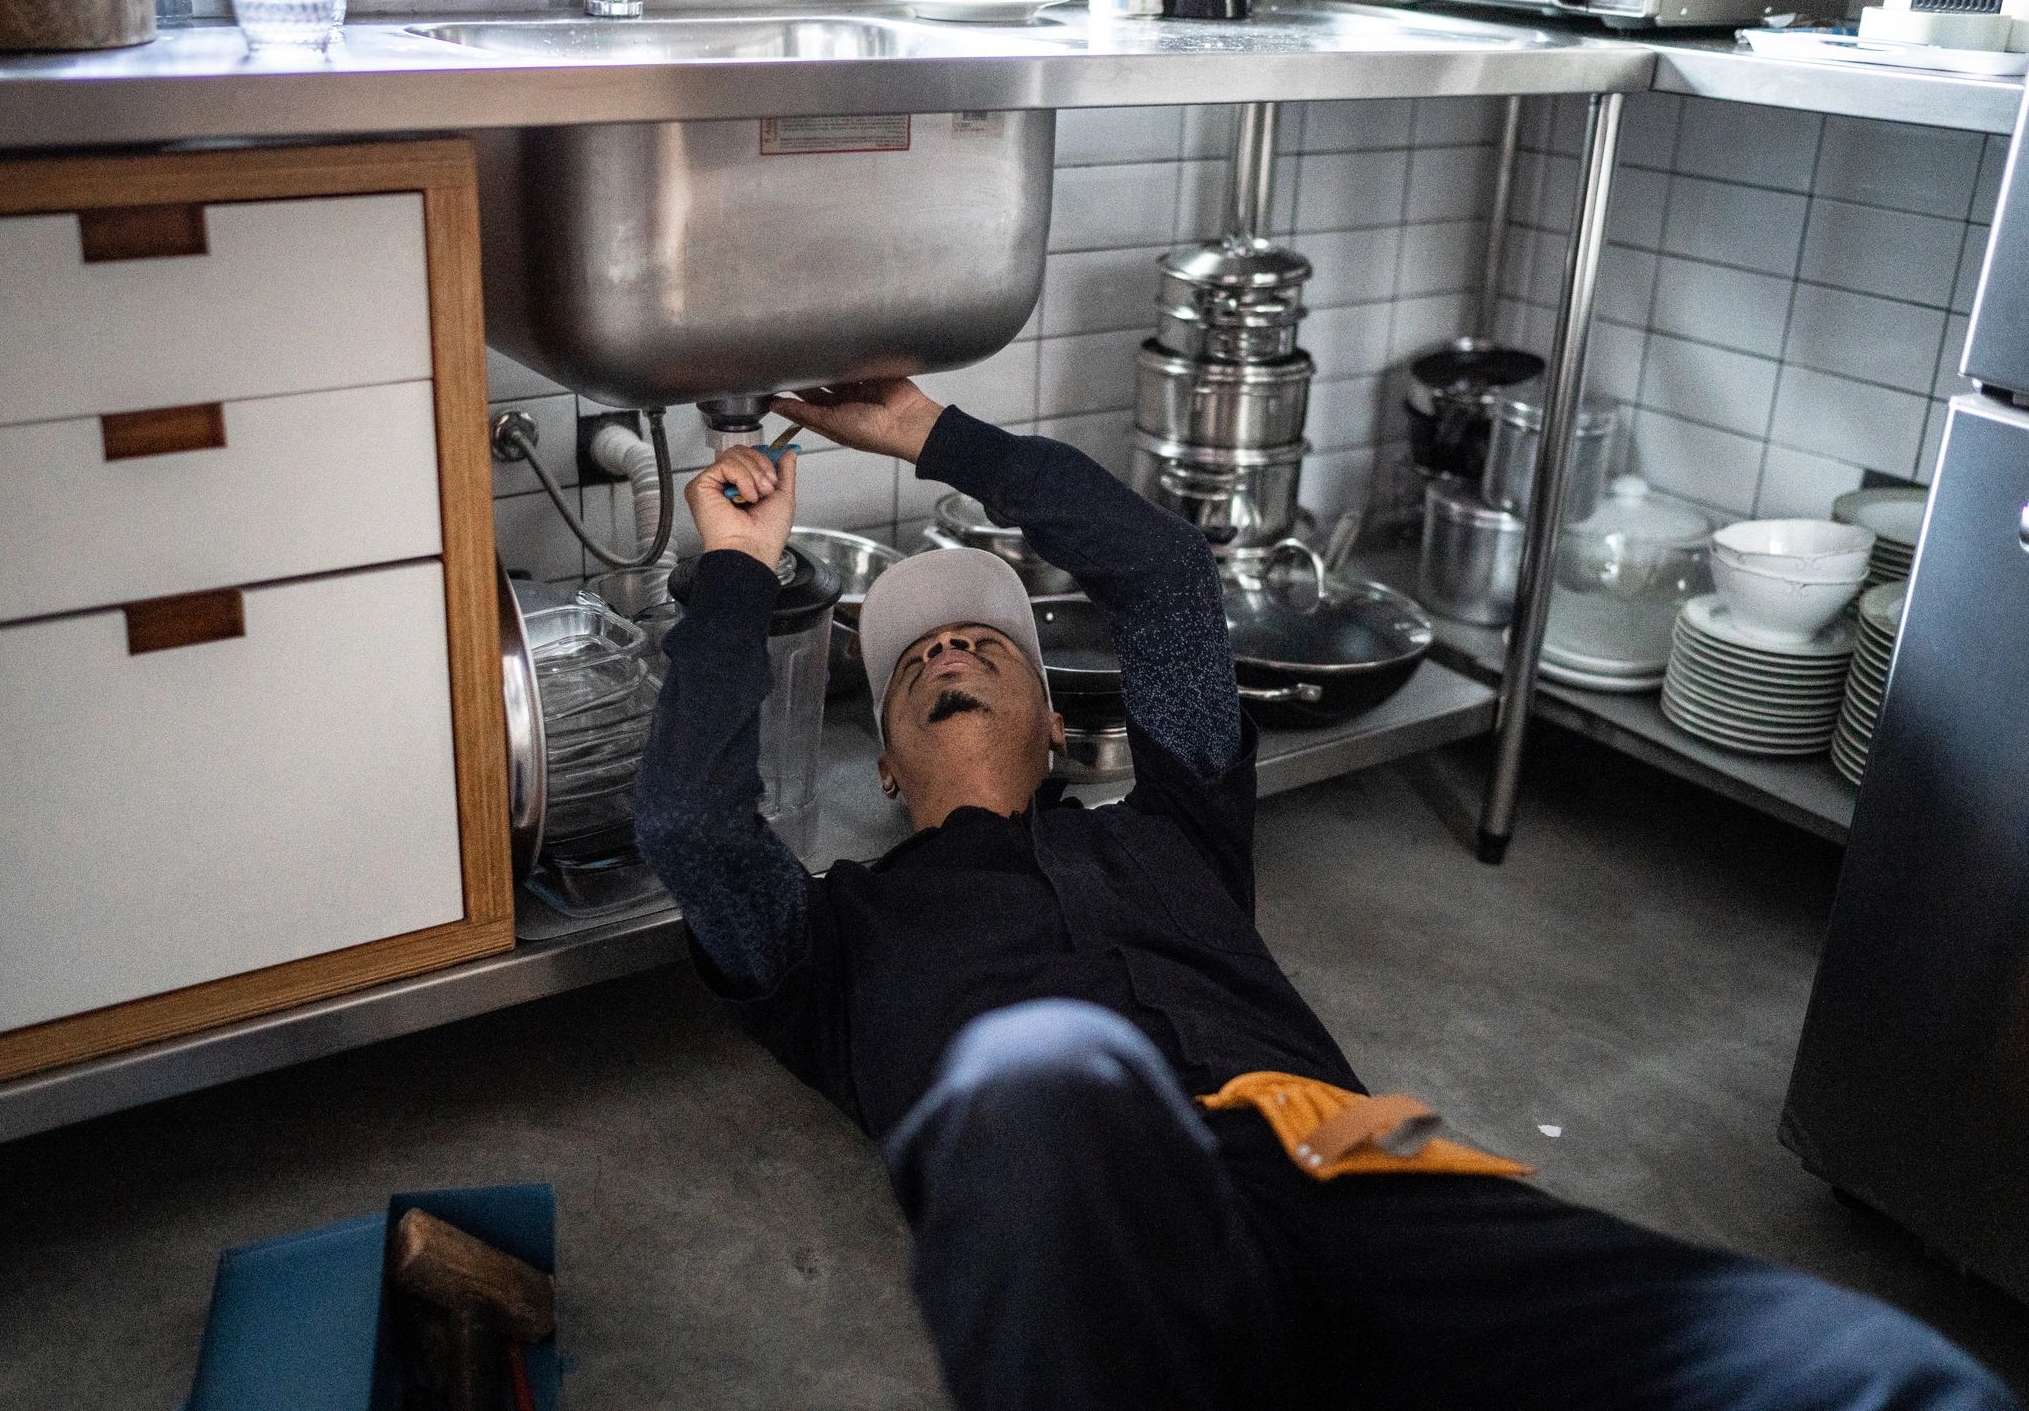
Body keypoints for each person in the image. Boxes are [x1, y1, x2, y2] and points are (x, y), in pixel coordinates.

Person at [631, 378, 2015, 1411]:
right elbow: (691, 822)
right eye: (916, 653)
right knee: (1038, 1065)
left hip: (1353, 1170)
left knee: (1876, 1373)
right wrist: (740, 571)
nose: (944, 646)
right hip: (1087, 1196)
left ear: (1058, 723)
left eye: (983, 639)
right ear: (881, 754)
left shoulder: (1175, 830)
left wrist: (936, 428)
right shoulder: (834, 936)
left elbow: (1167, 581)